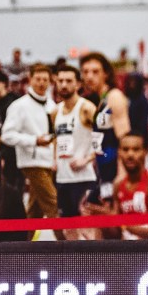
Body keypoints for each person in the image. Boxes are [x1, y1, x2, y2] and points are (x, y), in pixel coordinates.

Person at [83, 133, 148, 240]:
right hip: (126, 251)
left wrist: (119, 221)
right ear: (119, 152)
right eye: (125, 149)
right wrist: (103, 218)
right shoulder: (118, 184)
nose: (130, 154)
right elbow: (115, 233)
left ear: (145, 151)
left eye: (136, 149)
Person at [1, 63, 57, 220]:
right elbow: (6, 135)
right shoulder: (19, 106)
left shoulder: (52, 105)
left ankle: (23, 241)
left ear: (50, 82)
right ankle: (67, 242)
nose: (41, 83)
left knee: (35, 210)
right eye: (38, 79)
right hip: (31, 162)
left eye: (45, 79)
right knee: (54, 204)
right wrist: (34, 140)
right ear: (30, 80)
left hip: (49, 162)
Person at [52, 64, 98, 241]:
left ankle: (92, 265)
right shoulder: (55, 111)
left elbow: (104, 138)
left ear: (78, 84)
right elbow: (57, 137)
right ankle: (74, 265)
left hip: (84, 178)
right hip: (63, 179)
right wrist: (53, 160)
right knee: (67, 229)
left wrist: (87, 159)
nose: (64, 85)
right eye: (60, 81)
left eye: (69, 81)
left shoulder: (86, 108)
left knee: (87, 229)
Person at [80, 51, 130, 201]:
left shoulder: (114, 97)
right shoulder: (99, 101)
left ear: (106, 74)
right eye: (85, 72)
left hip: (114, 170)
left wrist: (122, 176)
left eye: (95, 72)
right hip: (103, 170)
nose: (89, 76)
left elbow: (125, 139)